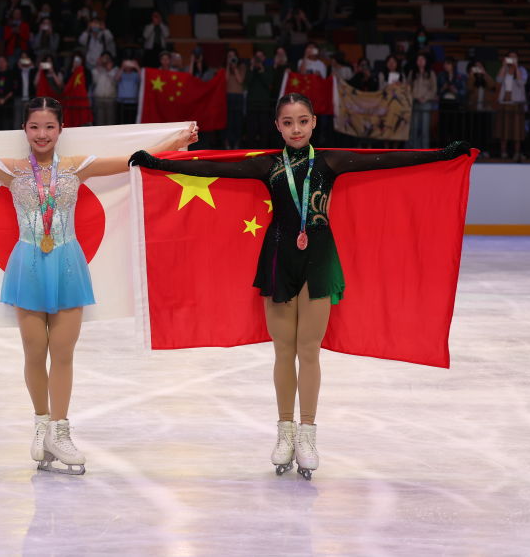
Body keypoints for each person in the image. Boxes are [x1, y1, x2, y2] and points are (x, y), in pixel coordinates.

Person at [130, 93, 470, 480]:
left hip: (319, 261)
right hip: (278, 260)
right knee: (283, 349)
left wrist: (441, 155)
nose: (296, 128)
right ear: (278, 126)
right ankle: (284, 431)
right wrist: (157, 163)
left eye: (303, 121)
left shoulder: (330, 161)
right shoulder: (267, 165)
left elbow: (387, 159)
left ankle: (307, 434)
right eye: (288, 122)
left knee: (308, 349)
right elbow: (212, 169)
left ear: (313, 123)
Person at [0, 98, 196, 474]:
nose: (42, 134)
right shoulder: (12, 170)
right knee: (35, 352)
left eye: (49, 127)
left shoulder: (76, 167)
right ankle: (40, 426)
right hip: (28, 266)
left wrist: (176, 141)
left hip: (68, 264)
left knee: (63, 354)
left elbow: (135, 159)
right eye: (35, 127)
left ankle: (60, 431)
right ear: (24, 129)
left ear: (61, 130)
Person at [495, 52, 528, 161]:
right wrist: (504, 66)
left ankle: (517, 153)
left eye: (515, 57)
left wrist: (516, 66)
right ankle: (503, 152)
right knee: (503, 130)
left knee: (516, 132)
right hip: (504, 104)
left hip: (516, 104)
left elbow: (521, 82)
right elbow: (498, 80)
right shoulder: (504, 70)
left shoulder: (521, 70)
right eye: (510, 57)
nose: (512, 59)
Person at [407, 54, 437, 149]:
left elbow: (434, 89)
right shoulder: (412, 73)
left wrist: (426, 97)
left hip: (426, 103)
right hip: (414, 102)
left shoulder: (431, 73)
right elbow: (408, 88)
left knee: (424, 129)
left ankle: (425, 150)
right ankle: (413, 150)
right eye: (418, 59)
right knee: (414, 128)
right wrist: (415, 97)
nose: (420, 61)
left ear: (426, 61)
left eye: (422, 59)